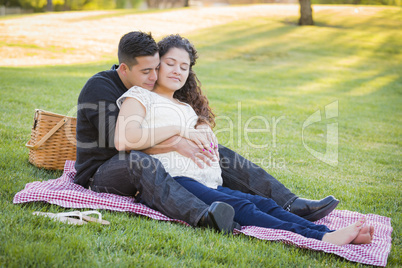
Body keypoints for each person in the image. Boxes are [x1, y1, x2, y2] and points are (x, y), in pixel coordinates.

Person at [114, 34, 374, 245]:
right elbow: (127, 138)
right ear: (157, 65)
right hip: (176, 180)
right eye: (170, 63)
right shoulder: (141, 95)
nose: (177, 71)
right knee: (243, 206)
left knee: (262, 203)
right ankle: (323, 237)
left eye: (184, 67)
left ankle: (329, 231)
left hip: (207, 181)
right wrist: (181, 132)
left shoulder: (185, 107)